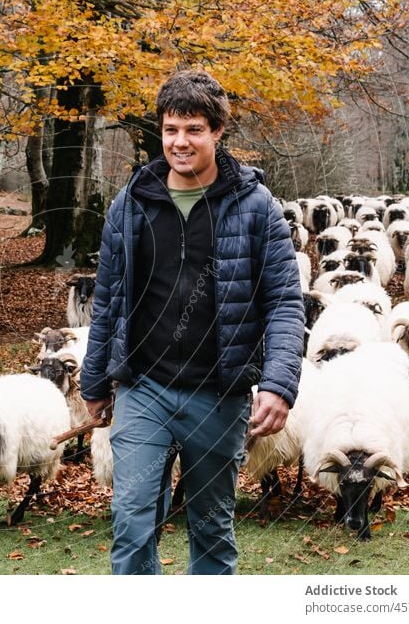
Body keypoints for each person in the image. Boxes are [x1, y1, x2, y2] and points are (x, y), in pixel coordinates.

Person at [79, 69, 304, 575]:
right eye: (171, 129)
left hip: (218, 394)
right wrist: (94, 380)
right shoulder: (132, 203)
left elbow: (286, 301)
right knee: (132, 522)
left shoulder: (255, 208)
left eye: (194, 129)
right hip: (144, 387)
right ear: (161, 131)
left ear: (217, 131)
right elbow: (109, 297)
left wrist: (279, 383)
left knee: (211, 528)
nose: (180, 142)